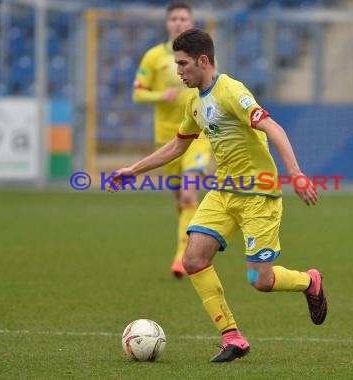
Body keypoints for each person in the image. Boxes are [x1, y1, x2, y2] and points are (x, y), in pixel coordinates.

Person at [109, 28, 327, 362]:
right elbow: (179, 144)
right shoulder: (195, 101)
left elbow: (274, 128)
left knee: (260, 280)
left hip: (259, 196)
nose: (178, 72)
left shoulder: (231, 91)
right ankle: (233, 338)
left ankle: (309, 282)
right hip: (223, 193)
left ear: (203, 60)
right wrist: (135, 169)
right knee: (193, 259)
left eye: (182, 64)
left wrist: (296, 175)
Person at [132, 2, 211, 279]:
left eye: (183, 18)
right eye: (174, 18)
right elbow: (137, 93)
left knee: (190, 192)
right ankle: (192, 243)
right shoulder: (153, 57)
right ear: (167, 23)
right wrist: (158, 96)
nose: (178, 22)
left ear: (191, 21)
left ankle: (182, 257)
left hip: (198, 135)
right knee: (180, 200)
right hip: (167, 139)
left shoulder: (201, 57)